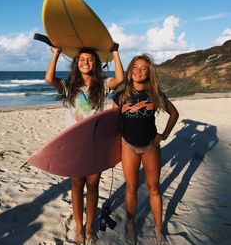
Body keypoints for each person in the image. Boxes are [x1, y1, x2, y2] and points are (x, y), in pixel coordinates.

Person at [45, 44, 124, 245]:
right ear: (76, 64)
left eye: (89, 59)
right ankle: (79, 228)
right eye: (81, 59)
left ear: (95, 63)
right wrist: (56, 54)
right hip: (75, 144)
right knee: (77, 185)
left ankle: (89, 227)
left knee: (93, 186)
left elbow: (121, 79)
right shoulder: (69, 85)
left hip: (96, 144)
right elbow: (48, 79)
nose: (85, 62)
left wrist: (115, 52)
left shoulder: (103, 85)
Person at [112, 54, 179, 245]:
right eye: (135, 67)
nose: (139, 71)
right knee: (131, 188)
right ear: (130, 70)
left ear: (149, 72)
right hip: (128, 146)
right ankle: (131, 226)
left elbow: (174, 113)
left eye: (144, 68)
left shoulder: (154, 94)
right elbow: (112, 123)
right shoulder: (121, 95)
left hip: (150, 145)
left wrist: (164, 135)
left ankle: (158, 230)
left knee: (154, 188)